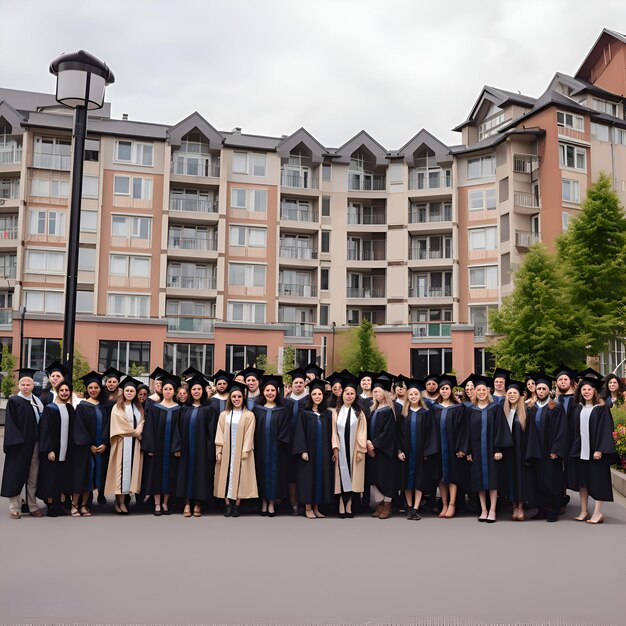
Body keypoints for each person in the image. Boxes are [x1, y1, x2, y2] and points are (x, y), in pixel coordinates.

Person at [568, 377, 618, 524]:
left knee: (597, 481)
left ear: (595, 391)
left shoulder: (601, 409)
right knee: (582, 482)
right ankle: (584, 511)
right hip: (580, 451)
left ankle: (597, 512)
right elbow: (573, 430)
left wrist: (600, 449)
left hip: (595, 452)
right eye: (583, 389)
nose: (586, 392)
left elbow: (606, 429)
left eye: (589, 389)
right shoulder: (578, 408)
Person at [466, 375, 513, 523]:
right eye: (478, 390)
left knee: (493, 480)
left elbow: (501, 429)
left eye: (483, 390)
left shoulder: (495, 408)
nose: (481, 392)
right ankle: (483, 510)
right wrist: (468, 451)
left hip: (491, 451)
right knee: (479, 480)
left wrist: (499, 449)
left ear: (488, 391)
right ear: (475, 392)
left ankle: (492, 509)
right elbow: (466, 432)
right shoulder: (471, 410)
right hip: (477, 451)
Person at [1, 368, 46, 519]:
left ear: (33, 386)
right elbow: (11, 424)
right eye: (23, 384)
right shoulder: (14, 401)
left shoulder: (37, 402)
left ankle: (32, 505)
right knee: (16, 475)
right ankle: (15, 507)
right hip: (19, 445)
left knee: (33, 476)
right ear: (19, 386)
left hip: (35, 444)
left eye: (29, 384)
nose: (26, 386)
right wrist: (16, 443)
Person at [173, 375, 218, 518]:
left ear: (203, 391)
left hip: (202, 450)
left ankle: (198, 503)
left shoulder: (209, 409)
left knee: (201, 474)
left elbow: (212, 431)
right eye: (194, 389)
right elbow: (178, 430)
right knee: (185, 473)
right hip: (186, 449)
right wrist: (177, 447)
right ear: (190, 392)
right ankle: (187, 502)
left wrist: (210, 449)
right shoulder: (184, 409)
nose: (196, 391)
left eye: (199, 389)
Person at [526, 373, 568, 522]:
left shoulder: (555, 407)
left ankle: (553, 510)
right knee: (538, 480)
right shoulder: (531, 407)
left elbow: (562, 430)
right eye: (538, 389)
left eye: (543, 388)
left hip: (550, 451)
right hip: (536, 451)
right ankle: (541, 510)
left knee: (552, 480)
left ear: (548, 390)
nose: (541, 391)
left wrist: (556, 449)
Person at [214, 381, 257, 517]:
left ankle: (237, 505)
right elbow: (219, 433)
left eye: (239, 396)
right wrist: (219, 451)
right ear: (230, 399)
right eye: (234, 397)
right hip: (226, 451)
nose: (236, 399)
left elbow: (250, 433)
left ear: (243, 398)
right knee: (225, 476)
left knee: (240, 476)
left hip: (242, 452)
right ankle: (227, 505)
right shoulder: (224, 415)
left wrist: (245, 450)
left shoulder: (249, 415)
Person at [292, 378, 334, 519]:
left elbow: (331, 434)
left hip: (323, 452)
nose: (317, 396)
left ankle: (316, 507)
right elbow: (299, 433)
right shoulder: (304, 413)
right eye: (314, 394)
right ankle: (308, 507)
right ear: (310, 396)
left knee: (320, 477)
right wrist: (303, 450)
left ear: (323, 396)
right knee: (308, 478)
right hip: (309, 452)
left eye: (319, 394)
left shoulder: (327, 415)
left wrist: (332, 450)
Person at [397, 380, 438, 520]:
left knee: (419, 480)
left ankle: (415, 508)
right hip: (407, 453)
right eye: (411, 394)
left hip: (421, 454)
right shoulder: (404, 414)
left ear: (419, 396)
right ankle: (409, 507)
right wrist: (399, 450)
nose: (413, 396)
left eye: (416, 394)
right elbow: (399, 434)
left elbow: (431, 433)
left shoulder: (426, 413)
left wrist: (427, 451)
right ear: (407, 397)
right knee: (407, 481)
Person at [71, 371, 111, 516]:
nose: (93, 390)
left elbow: (108, 426)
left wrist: (105, 443)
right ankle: (74, 504)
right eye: (90, 388)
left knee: (92, 478)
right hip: (85, 449)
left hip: (101, 448)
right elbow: (79, 427)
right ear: (87, 389)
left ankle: (84, 505)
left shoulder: (104, 406)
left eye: (96, 387)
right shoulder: (82, 406)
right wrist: (90, 445)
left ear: (100, 389)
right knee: (82, 476)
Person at [141, 374, 182, 515]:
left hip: (171, 449)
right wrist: (150, 447)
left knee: (170, 475)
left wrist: (178, 447)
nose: (168, 391)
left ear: (174, 391)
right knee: (156, 475)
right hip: (158, 448)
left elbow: (180, 430)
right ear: (162, 391)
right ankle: (157, 504)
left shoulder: (179, 409)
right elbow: (149, 428)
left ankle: (165, 503)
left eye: (170, 389)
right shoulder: (155, 407)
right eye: (166, 389)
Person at [430, 374, 469, 519]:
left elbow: (464, 430)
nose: (443, 391)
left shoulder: (459, 408)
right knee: (441, 477)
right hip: (438, 448)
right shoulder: (435, 408)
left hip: (453, 448)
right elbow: (431, 430)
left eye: (446, 388)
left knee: (453, 476)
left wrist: (462, 448)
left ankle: (452, 504)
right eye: (441, 389)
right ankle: (444, 504)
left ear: (451, 390)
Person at [501, 379, 540, 521]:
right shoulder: (503, 412)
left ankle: (520, 507)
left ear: (520, 395)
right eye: (509, 393)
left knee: (521, 480)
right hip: (508, 453)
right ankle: (513, 505)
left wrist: (529, 454)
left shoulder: (526, 412)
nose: (511, 395)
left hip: (521, 453)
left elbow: (531, 436)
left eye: (514, 392)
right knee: (510, 480)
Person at [104, 376, 145, 514]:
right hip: (122, 444)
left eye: (132, 391)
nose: (129, 393)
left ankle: (125, 501)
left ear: (135, 394)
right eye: (127, 390)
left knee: (131, 473)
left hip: (135, 446)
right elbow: (119, 427)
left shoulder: (138, 408)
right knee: (120, 474)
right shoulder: (117, 407)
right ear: (123, 392)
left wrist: (140, 429)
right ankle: (119, 502)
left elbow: (142, 422)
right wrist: (136, 433)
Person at [253, 375, 291, 516]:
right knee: (261, 474)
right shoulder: (257, 410)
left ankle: (271, 503)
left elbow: (286, 430)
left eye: (273, 390)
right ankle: (264, 501)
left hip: (277, 451)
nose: (270, 393)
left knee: (275, 476)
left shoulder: (283, 410)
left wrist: (278, 443)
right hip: (261, 450)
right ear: (263, 392)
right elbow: (253, 429)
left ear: (277, 392)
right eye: (267, 390)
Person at [37, 381, 74, 517]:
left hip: (66, 450)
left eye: (67, 390)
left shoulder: (70, 408)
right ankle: (51, 506)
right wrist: (49, 450)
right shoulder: (50, 408)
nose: (64, 392)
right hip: (53, 450)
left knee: (62, 477)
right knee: (51, 478)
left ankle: (60, 505)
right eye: (62, 390)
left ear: (70, 392)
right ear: (58, 392)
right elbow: (45, 430)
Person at [331, 377, 367, 518]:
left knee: (353, 477)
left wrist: (360, 450)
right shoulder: (336, 412)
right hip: (340, 450)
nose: (349, 395)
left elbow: (362, 433)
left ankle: (349, 504)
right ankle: (341, 502)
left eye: (352, 393)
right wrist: (335, 448)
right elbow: (333, 432)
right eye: (347, 393)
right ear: (342, 394)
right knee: (340, 477)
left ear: (355, 395)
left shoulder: (359, 413)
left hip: (354, 450)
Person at [366, 376, 398, 519]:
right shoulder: (373, 409)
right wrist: (368, 443)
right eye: (374, 392)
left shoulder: (389, 410)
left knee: (386, 478)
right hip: (373, 450)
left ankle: (387, 506)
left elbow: (388, 432)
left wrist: (375, 444)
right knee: (376, 477)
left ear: (384, 393)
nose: (376, 394)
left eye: (378, 391)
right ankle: (379, 505)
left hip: (385, 451)